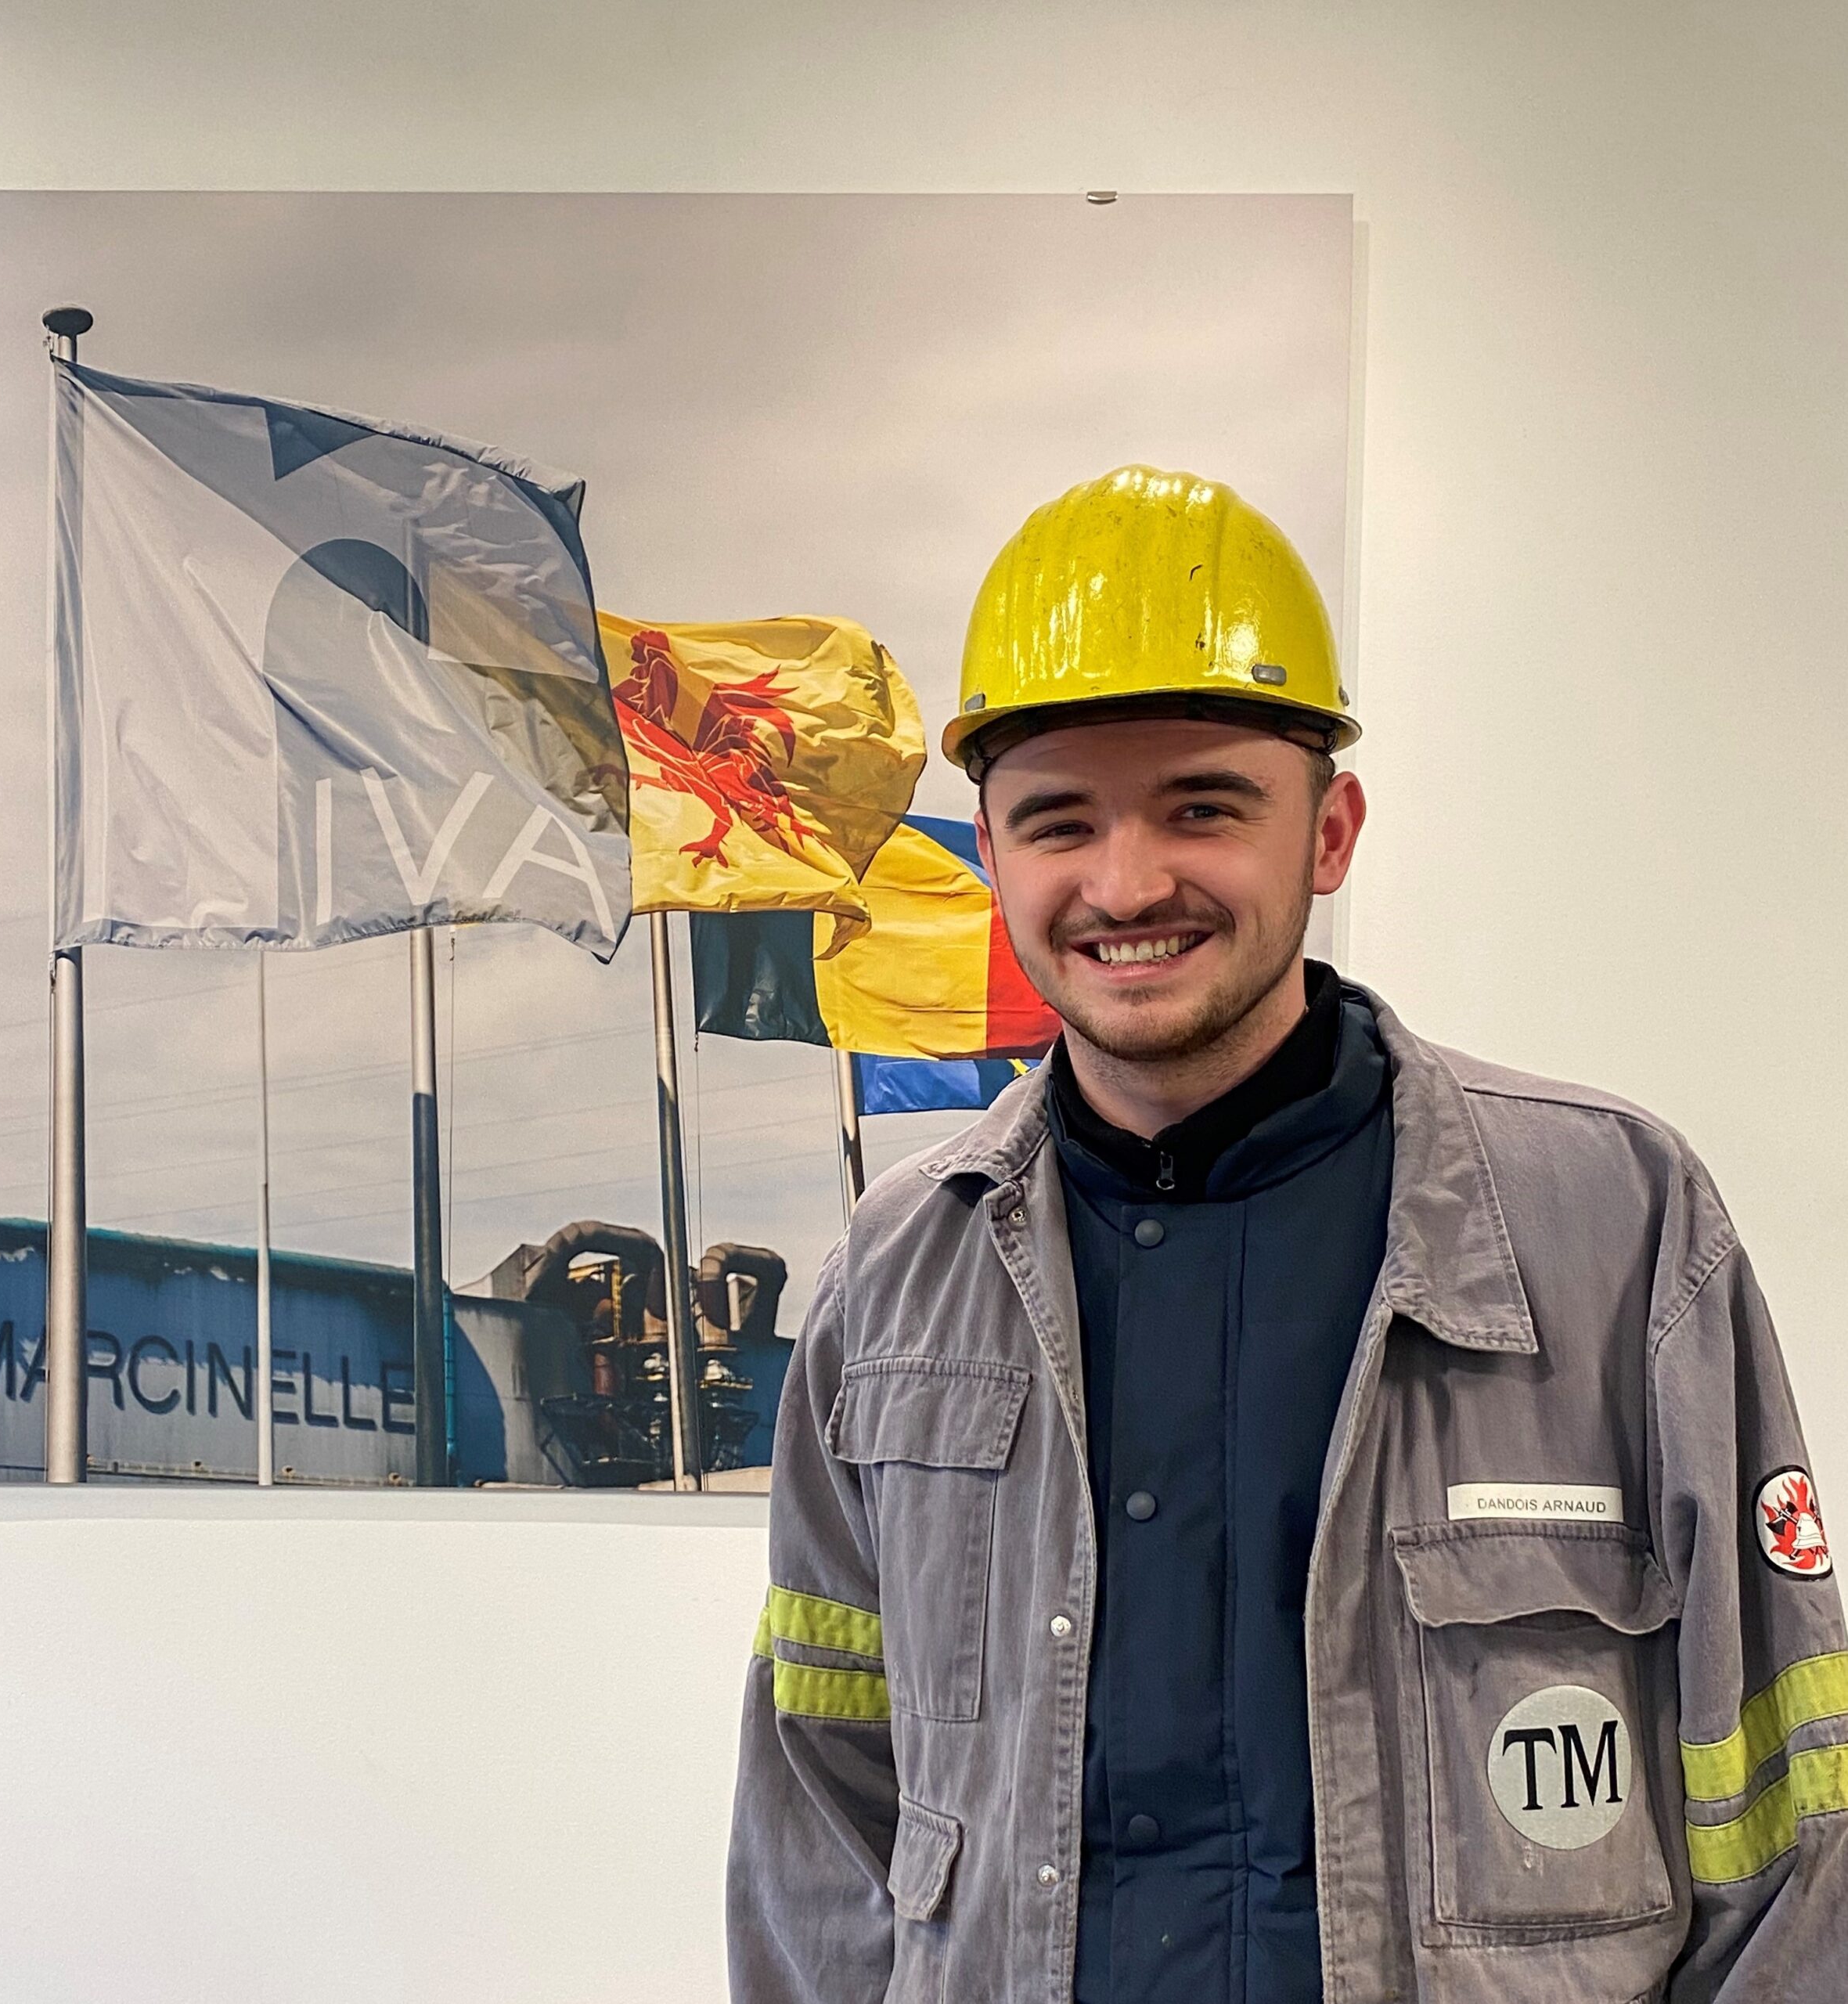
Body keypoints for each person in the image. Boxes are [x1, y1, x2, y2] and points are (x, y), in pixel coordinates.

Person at [726, 466, 1847, 2002]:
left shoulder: (1619, 1227)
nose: (1129, 881)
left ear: (1331, 829)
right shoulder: (893, 1281)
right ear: (992, 851)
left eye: (1203, 804)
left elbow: (1797, 1826)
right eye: (1061, 820)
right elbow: (817, 1830)